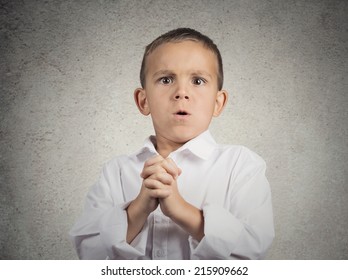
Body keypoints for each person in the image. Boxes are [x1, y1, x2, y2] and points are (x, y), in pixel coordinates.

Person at [69, 28, 275, 260]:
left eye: (198, 80)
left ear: (218, 103)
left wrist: (182, 211)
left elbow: (253, 249)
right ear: (143, 101)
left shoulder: (242, 165)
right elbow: (88, 252)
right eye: (166, 79)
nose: (181, 92)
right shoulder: (115, 171)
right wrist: (137, 210)